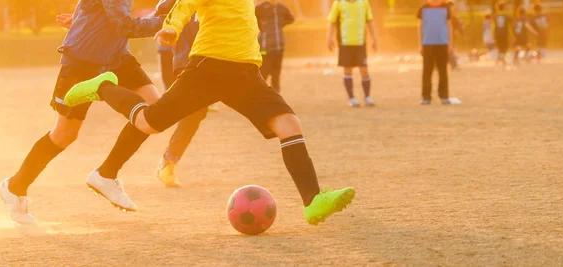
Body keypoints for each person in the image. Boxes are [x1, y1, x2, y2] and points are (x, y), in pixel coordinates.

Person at [63, 0, 356, 226]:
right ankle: (102, 88)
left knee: (289, 123)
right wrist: (172, 29)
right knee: (149, 122)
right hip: (209, 68)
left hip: (246, 71)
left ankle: (313, 200)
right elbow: (183, 6)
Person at [0, 0, 164, 224]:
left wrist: (81, 21)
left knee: (154, 111)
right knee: (64, 135)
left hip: (117, 59)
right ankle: (14, 186)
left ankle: (106, 174)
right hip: (82, 62)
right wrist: (167, 23)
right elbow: (124, 26)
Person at [153, 0, 206, 187]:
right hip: (188, 63)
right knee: (191, 113)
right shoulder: (172, 4)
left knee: (196, 113)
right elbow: (158, 14)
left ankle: (169, 160)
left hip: (215, 59)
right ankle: (168, 161)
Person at [327, 0, 378, 107]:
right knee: (347, 69)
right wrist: (329, 38)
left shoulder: (364, 2)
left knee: (364, 69)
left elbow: (370, 21)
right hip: (345, 43)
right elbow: (332, 22)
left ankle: (367, 97)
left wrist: (374, 39)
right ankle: (351, 98)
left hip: (360, 43)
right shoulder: (339, 3)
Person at [417, 0, 460, 105]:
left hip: (442, 43)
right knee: (427, 71)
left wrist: (450, 44)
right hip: (427, 43)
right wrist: (420, 44)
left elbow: (449, 26)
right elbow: (420, 27)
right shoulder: (423, 9)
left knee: (442, 71)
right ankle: (426, 96)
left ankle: (444, 95)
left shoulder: (446, 8)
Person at [255, 0, 294, 93]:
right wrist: (261, 26)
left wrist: (280, 23)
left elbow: (291, 19)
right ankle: (259, 94)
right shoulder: (260, 8)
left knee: (276, 74)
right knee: (263, 73)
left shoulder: (281, 8)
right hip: (265, 47)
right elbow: (251, 18)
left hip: (279, 47)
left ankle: (276, 97)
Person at [447, 0, 464, 70]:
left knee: (451, 50)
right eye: (452, 7)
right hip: (446, 36)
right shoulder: (449, 17)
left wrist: (461, 32)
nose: (453, 9)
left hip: (452, 36)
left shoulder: (453, 17)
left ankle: (453, 64)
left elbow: (458, 27)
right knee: (450, 51)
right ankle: (453, 65)